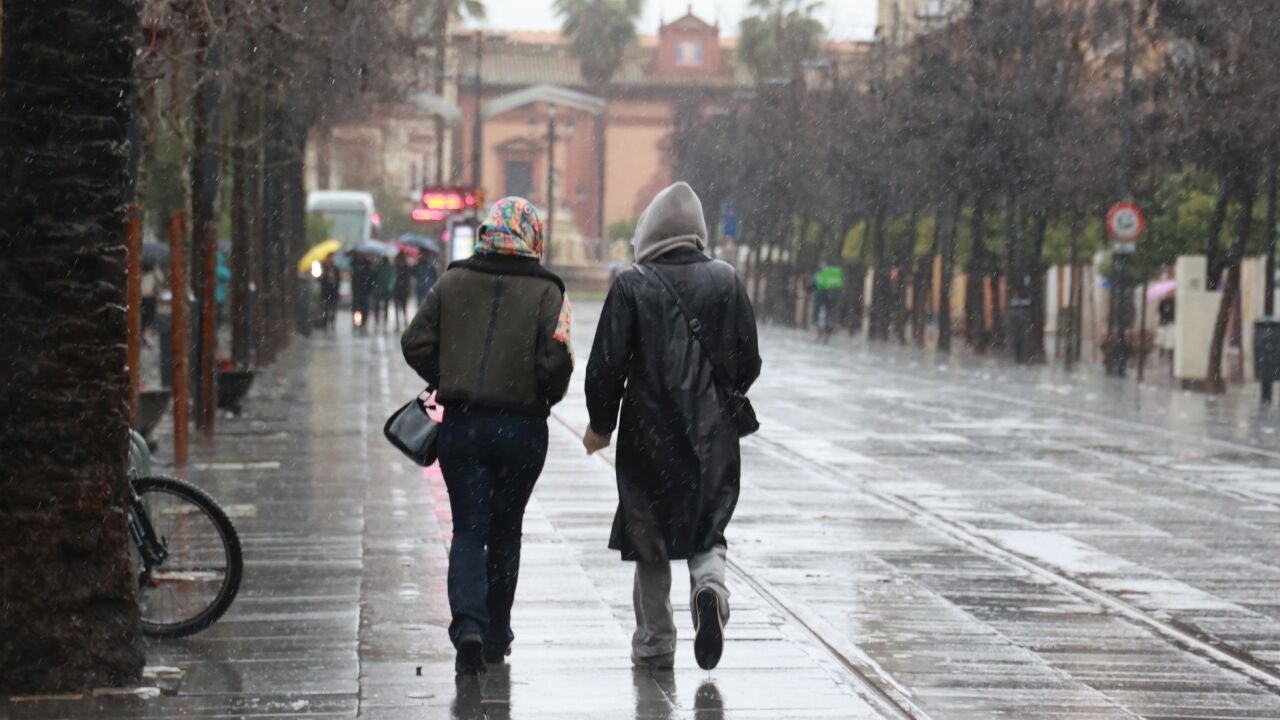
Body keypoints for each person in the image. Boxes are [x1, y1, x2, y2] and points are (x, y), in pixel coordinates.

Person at [583, 182, 761, 671]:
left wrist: (601, 422)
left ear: (649, 233)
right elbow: (749, 360)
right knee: (708, 525)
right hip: (714, 433)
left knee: (650, 535)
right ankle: (710, 590)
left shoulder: (631, 284)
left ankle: (655, 641)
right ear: (697, 232)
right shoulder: (726, 280)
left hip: (648, 431)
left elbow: (605, 366)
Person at [401, 197, 574, 675]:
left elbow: (414, 342)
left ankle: (469, 626)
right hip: (522, 429)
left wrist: (449, 375)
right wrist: (540, 394)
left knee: (468, 529)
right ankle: (497, 633)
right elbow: (556, 362)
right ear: (532, 236)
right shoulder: (550, 293)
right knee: (506, 529)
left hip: (463, 424)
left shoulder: (452, 282)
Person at [318, 254, 340, 332]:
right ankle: (325, 324)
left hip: (333, 293)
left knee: (333, 310)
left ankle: (332, 323)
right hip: (325, 293)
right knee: (325, 309)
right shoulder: (323, 268)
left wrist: (333, 278)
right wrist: (325, 275)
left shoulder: (335, 268)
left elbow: (338, 281)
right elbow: (320, 280)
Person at [374, 256, 396, 331]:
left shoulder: (380, 267)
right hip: (384, 291)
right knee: (384, 307)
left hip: (380, 290)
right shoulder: (389, 268)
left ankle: (379, 322)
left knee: (379, 307)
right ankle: (383, 322)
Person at [393, 253, 413, 331]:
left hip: (403, 291)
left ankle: (404, 322)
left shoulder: (406, 268)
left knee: (404, 308)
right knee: (397, 308)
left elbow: (407, 281)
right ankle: (398, 323)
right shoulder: (396, 268)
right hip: (397, 291)